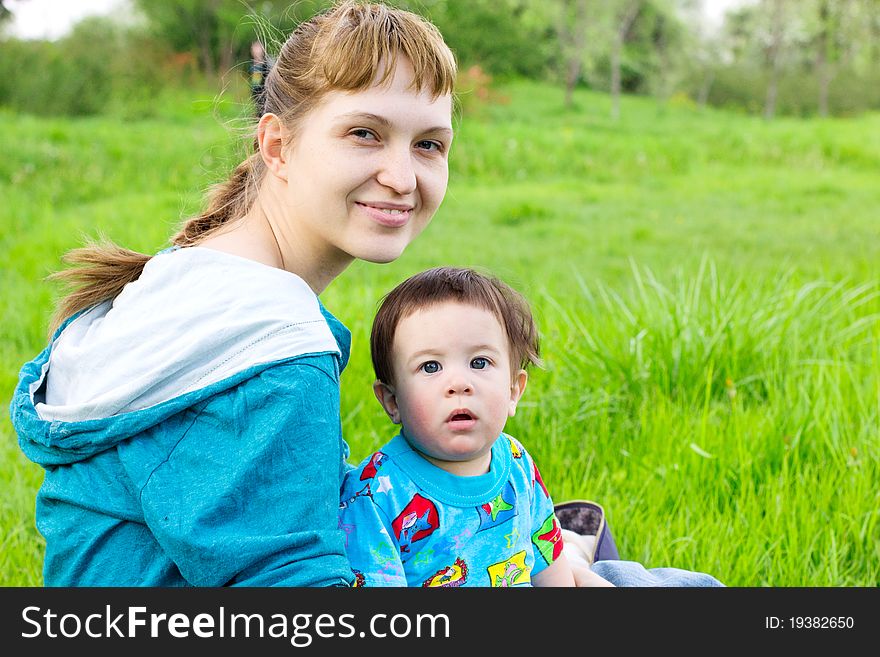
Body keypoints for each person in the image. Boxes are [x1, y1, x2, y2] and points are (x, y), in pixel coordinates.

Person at [10, 1, 457, 587]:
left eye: (429, 144)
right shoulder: (268, 351)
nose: (402, 177)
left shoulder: (193, 281)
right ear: (276, 147)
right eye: (364, 134)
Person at [339, 267, 614, 587]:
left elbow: (548, 565)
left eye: (479, 362)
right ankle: (581, 546)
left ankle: (580, 552)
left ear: (514, 391)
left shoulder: (515, 460)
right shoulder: (376, 497)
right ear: (392, 401)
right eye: (430, 366)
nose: (459, 383)